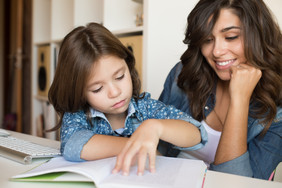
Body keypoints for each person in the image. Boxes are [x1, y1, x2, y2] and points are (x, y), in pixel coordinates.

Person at [48, 22, 207, 176]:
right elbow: (72, 145)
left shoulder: (145, 108)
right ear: (79, 92)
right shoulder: (79, 114)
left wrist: (155, 127)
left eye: (119, 76)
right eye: (97, 88)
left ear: (128, 67)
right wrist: (135, 146)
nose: (115, 92)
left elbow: (196, 134)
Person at [157, 0, 282, 180]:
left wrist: (239, 99)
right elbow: (156, 150)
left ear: (259, 35)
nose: (216, 51)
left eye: (231, 37)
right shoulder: (182, 75)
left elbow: (236, 183)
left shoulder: (277, 112)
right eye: (207, 39)